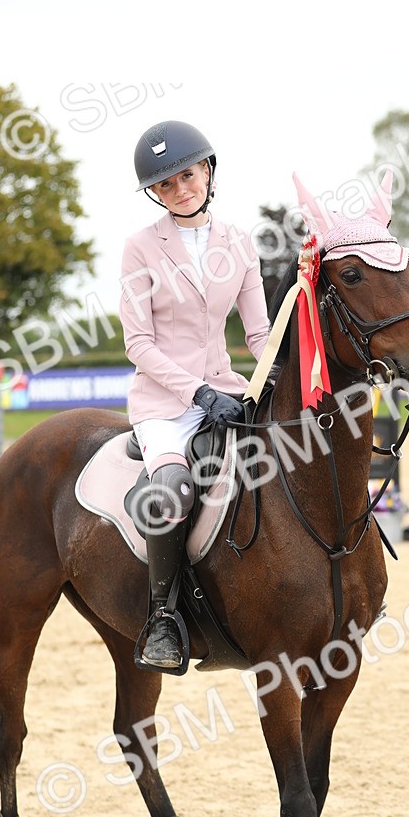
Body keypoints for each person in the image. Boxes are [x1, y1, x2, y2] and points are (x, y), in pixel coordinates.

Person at [119, 120, 270, 670]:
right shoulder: (140, 248)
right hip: (164, 404)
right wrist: (199, 393)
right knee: (172, 491)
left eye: (187, 175)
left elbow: (259, 334)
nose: (180, 189)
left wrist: (284, 372)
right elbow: (138, 343)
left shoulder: (240, 243)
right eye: (165, 184)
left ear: (207, 170)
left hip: (228, 389)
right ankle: (163, 618)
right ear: (155, 194)